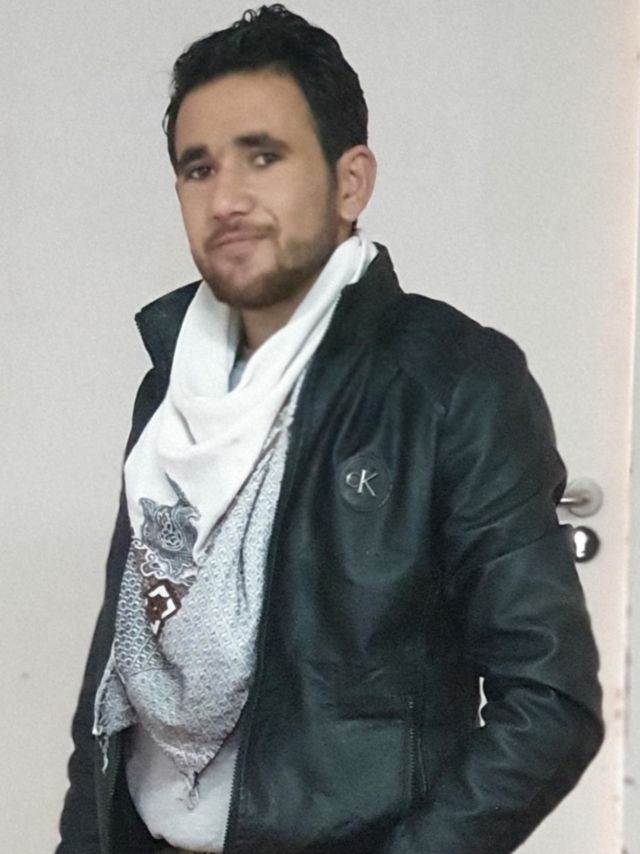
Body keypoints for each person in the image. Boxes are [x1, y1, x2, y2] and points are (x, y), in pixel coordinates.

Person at [57, 5, 603, 854]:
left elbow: (550, 701)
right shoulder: (171, 387)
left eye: (263, 156)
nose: (225, 198)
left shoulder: (450, 383)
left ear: (351, 182)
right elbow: (119, 667)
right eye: (198, 168)